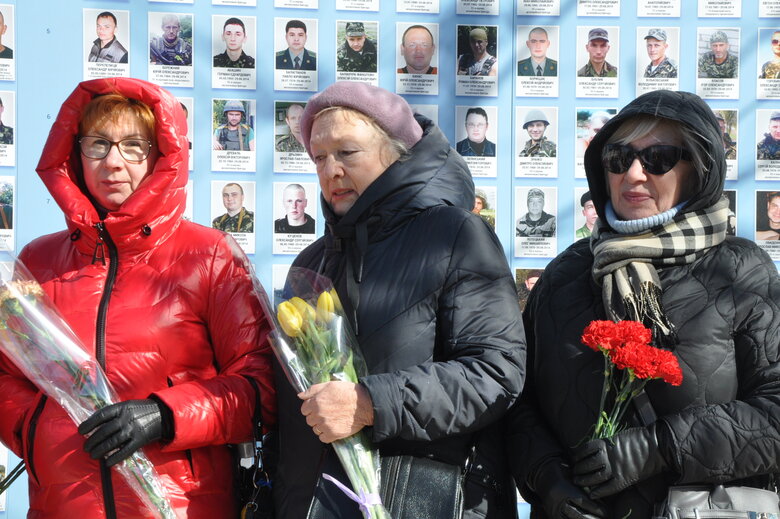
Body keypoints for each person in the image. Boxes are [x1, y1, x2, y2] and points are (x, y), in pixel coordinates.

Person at [0, 77, 275, 518]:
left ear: (162, 156)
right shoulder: (40, 259)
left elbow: (260, 387)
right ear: (73, 152)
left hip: (179, 507)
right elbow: (6, 376)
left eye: (134, 146)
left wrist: (165, 415)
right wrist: (36, 429)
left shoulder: (209, 255)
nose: (113, 162)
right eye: (98, 144)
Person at [508, 89, 780, 519]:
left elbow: (775, 412)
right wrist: (547, 478)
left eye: (659, 158)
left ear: (698, 169)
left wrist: (659, 447)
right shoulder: (565, 274)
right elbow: (517, 401)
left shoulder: (740, 270)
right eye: (618, 158)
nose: (633, 174)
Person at [274, 81, 525, 519]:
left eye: (347, 152)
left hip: (428, 502)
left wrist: (371, 403)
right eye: (318, 157)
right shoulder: (313, 261)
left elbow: (496, 374)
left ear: (394, 152)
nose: (330, 170)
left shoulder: (455, 234)